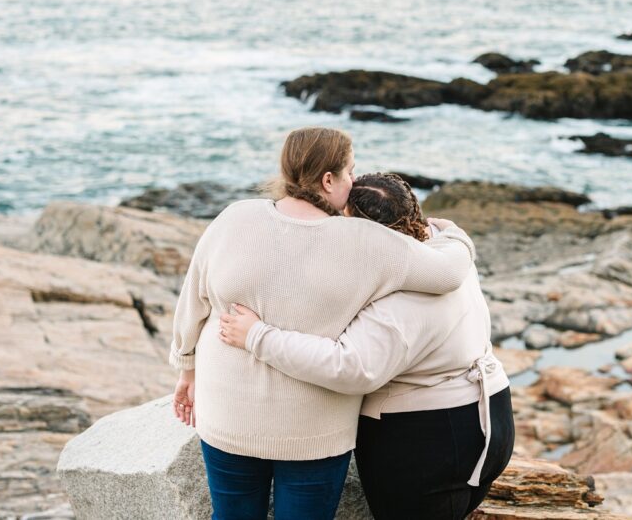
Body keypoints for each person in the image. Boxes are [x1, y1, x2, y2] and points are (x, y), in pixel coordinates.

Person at [169, 128, 477, 520]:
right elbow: (449, 273)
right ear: (328, 179)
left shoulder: (235, 217)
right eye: (349, 171)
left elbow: (192, 299)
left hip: (227, 413)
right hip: (313, 432)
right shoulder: (368, 242)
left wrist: (186, 367)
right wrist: (455, 234)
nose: (353, 181)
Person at [219, 172, 514, 520]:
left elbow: (350, 367)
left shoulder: (401, 302)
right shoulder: (442, 246)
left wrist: (256, 336)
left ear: (364, 232)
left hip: (430, 441)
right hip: (492, 413)